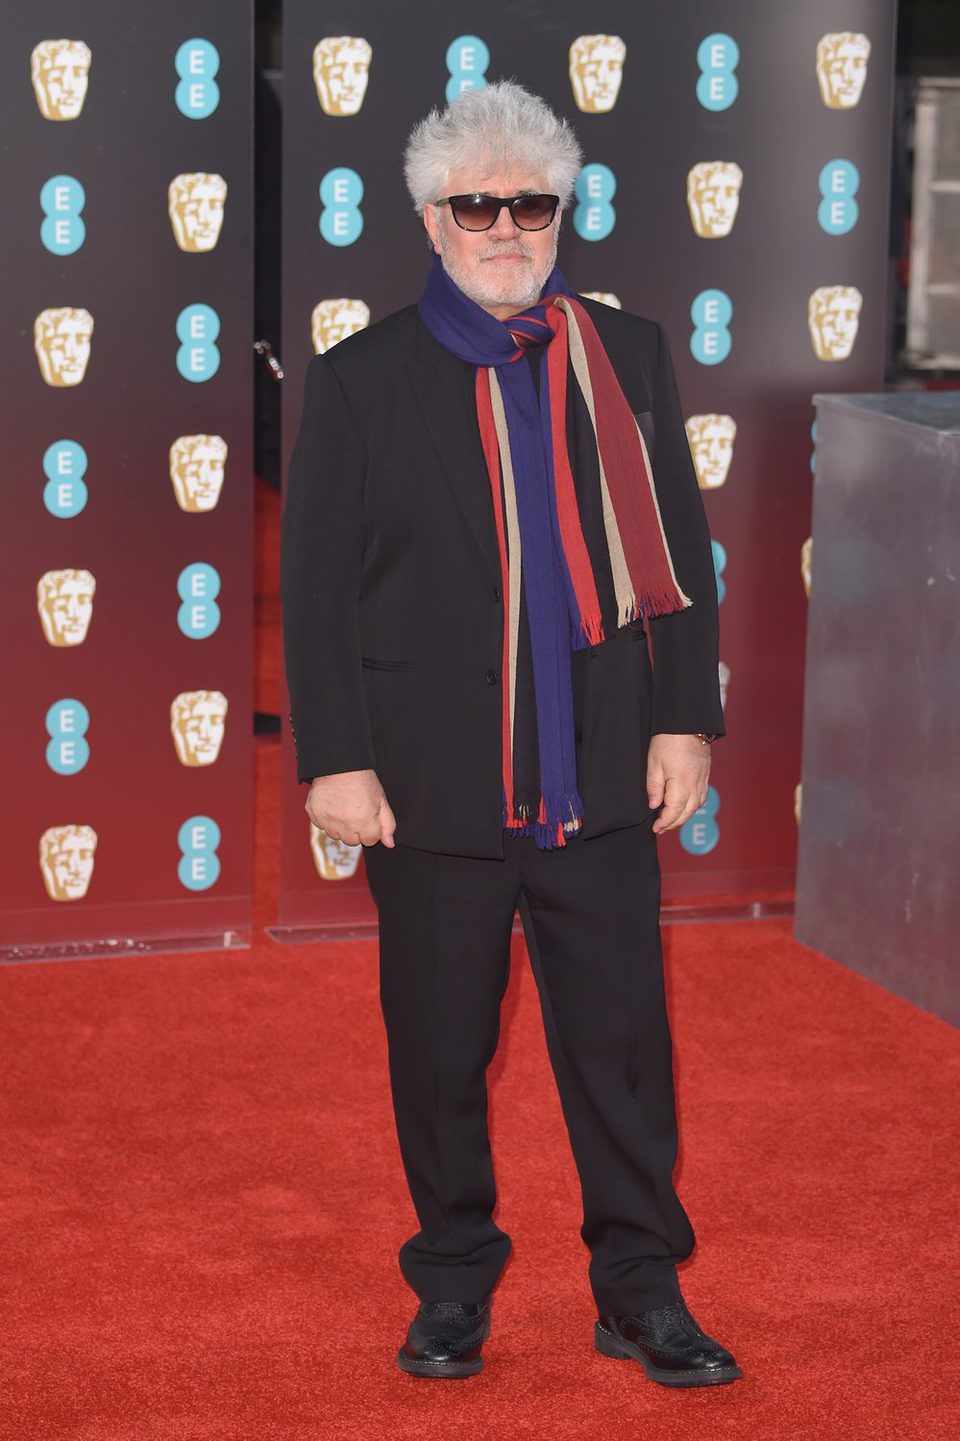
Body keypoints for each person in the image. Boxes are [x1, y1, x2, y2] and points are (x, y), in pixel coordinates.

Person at [281, 80, 741, 1389]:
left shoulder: (626, 353)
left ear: (559, 213)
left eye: (527, 203)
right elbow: (313, 586)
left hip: (597, 771)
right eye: (475, 204)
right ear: (432, 219)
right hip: (431, 791)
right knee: (437, 1053)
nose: (503, 227)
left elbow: (684, 556)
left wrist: (685, 720)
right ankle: (453, 1286)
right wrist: (335, 756)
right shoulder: (362, 378)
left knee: (622, 1052)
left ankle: (640, 1291)